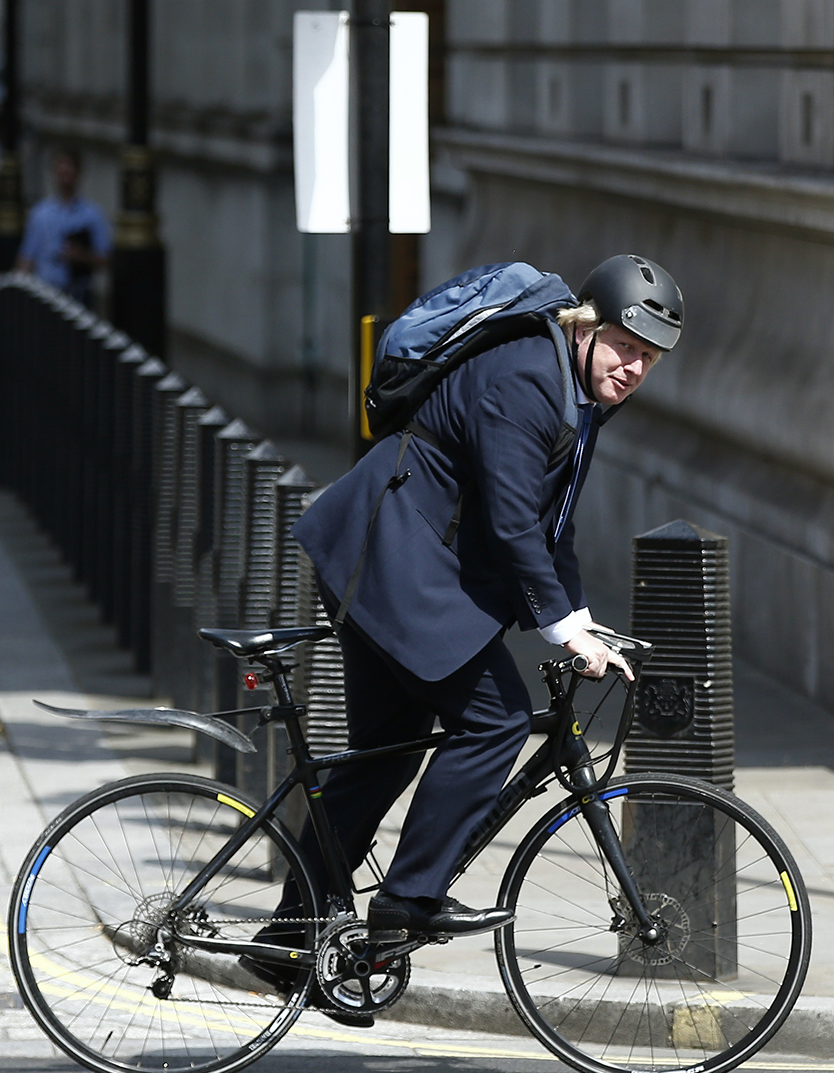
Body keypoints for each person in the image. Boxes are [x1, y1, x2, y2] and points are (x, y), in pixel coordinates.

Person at [270, 255, 684, 994]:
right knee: (494, 721)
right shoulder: (527, 377)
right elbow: (511, 520)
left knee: (385, 754)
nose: (634, 368)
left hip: (401, 564)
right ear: (587, 327)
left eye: (649, 357)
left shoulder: (578, 393)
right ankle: (410, 898)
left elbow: (555, 527)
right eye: (626, 345)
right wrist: (559, 629)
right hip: (392, 559)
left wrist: (583, 620)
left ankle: (286, 939)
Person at [15, 147, 110, 307]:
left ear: (78, 173)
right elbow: (27, 257)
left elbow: (105, 258)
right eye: (60, 169)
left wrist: (81, 256)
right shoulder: (40, 213)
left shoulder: (92, 215)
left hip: (78, 294)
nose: (65, 174)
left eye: (69, 169)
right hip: (45, 292)